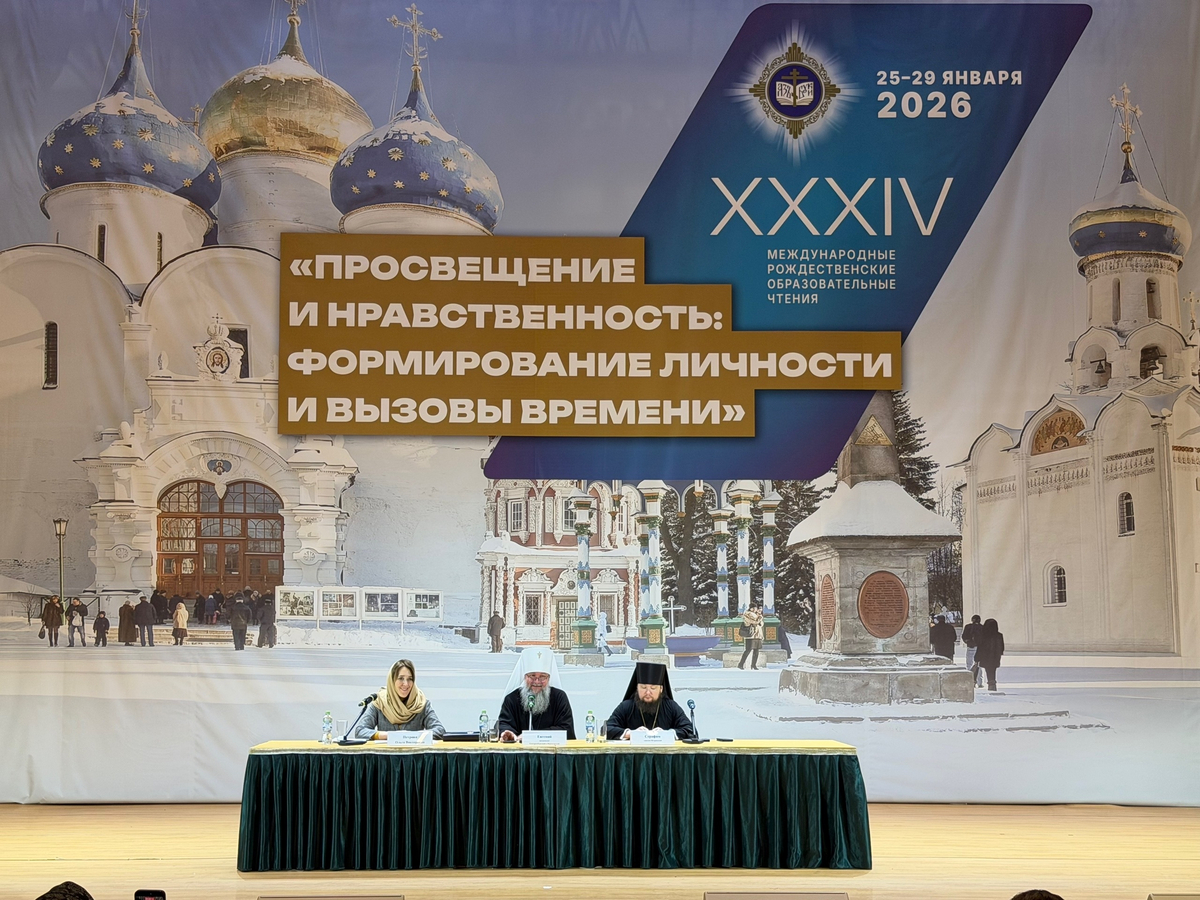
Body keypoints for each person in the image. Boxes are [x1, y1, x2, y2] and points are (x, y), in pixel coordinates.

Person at [497, 646, 576, 740]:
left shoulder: (559, 697)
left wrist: (533, 737)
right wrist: (508, 733)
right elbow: (504, 724)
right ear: (525, 677)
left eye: (542, 677)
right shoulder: (512, 699)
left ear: (548, 678)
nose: (537, 681)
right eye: (532, 676)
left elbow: (566, 729)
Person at [354, 658, 445, 740]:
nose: (406, 684)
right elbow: (360, 731)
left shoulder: (421, 703)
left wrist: (411, 737)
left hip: (413, 753)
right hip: (386, 753)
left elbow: (440, 730)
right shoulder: (380, 702)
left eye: (410, 679)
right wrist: (388, 736)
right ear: (392, 680)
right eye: (401, 678)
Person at [604, 660, 696, 740]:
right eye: (643, 687)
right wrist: (631, 733)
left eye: (653, 688)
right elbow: (605, 729)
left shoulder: (671, 706)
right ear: (637, 688)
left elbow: (691, 731)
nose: (648, 692)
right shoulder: (626, 706)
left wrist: (667, 734)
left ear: (661, 689)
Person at [974, 617, 1005, 691]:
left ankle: (991, 684)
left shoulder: (984, 635)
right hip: (995, 657)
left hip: (985, 657)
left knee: (988, 670)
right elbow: (1002, 647)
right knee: (992, 671)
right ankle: (992, 684)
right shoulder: (999, 635)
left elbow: (980, 647)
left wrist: (977, 658)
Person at [738, 602, 764, 670]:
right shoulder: (747, 614)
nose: (755, 609)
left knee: (756, 651)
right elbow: (754, 622)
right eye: (753, 608)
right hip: (751, 635)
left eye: (755, 608)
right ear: (751, 608)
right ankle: (741, 664)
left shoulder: (757, 615)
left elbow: (761, 624)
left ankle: (754, 665)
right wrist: (759, 617)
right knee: (748, 650)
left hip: (758, 635)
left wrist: (759, 616)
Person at [961, 614, 983, 686]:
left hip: (970, 647)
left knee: (969, 664)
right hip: (979, 648)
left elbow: (964, 636)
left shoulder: (968, 627)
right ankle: (979, 682)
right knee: (979, 665)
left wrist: (968, 642)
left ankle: (970, 681)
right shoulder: (982, 627)